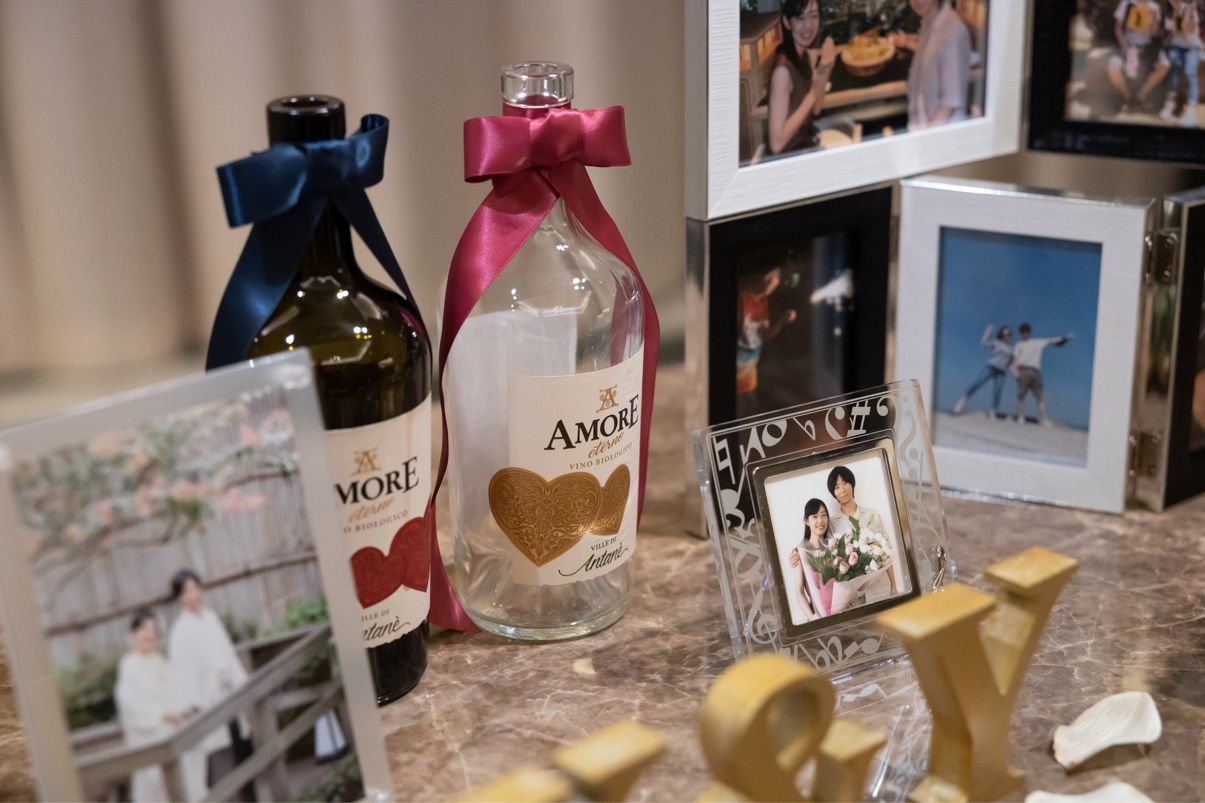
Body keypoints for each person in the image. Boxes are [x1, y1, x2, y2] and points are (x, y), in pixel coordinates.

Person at [167, 569, 253, 801]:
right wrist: (195, 706)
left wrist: (242, 684)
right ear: (179, 597)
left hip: (230, 698)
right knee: (223, 770)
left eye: (196, 589)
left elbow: (229, 654)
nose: (193, 595)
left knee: (244, 758)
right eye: (187, 592)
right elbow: (183, 677)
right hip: (208, 707)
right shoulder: (180, 633)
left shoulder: (211, 618)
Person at [114, 609, 198, 802]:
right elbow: (130, 704)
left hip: (172, 733)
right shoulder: (129, 665)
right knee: (153, 787)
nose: (149, 635)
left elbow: (177, 693)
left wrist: (180, 711)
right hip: (147, 737)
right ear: (134, 633)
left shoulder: (161, 662)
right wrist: (161, 715)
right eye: (144, 630)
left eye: (153, 630)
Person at [766, 0, 836, 156]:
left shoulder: (806, 56)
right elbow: (776, 144)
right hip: (791, 158)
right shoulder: (782, 71)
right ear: (787, 22)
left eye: (813, 16)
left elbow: (816, 108)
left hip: (808, 145)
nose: (808, 26)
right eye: (800, 18)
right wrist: (813, 92)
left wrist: (826, 69)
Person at [891, 0, 972, 129]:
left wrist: (924, 138)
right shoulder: (928, 23)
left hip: (942, 134)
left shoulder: (952, 31)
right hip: (923, 122)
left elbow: (948, 105)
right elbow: (931, 53)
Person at [826, 466, 899, 599]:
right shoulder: (831, 524)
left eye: (845, 483)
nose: (842, 490)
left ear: (852, 484)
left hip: (880, 587)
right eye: (837, 487)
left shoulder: (872, 515)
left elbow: (886, 552)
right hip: (853, 596)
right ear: (833, 493)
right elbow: (828, 559)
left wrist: (894, 585)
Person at [736, 266, 798, 418]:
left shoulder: (763, 302)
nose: (773, 282)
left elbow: (765, 335)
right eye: (770, 277)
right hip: (737, 369)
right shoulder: (742, 297)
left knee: (749, 410)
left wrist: (782, 320)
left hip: (750, 371)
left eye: (776, 278)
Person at [1109, 0, 1171, 113]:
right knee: (1113, 67)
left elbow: (1155, 33)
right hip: (1127, 44)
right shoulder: (1126, 3)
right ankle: (1127, 96)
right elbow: (1117, 27)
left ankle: (1141, 95)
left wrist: (1154, 19)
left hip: (1147, 47)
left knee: (1165, 64)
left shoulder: (1154, 7)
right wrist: (1123, 44)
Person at [1011, 323, 1074, 426]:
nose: (1025, 333)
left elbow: (1052, 340)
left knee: (1040, 397)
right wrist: (1015, 373)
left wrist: (1065, 338)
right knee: (1021, 396)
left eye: (1027, 331)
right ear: (1021, 333)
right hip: (1023, 371)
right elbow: (1015, 359)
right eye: (1023, 331)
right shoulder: (1018, 344)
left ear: (1030, 332)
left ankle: (1043, 420)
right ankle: (1020, 417)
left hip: (1036, 372)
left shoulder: (1038, 342)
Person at [787, 499, 836, 622]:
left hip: (840, 611)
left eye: (823, 515)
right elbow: (799, 591)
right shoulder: (800, 552)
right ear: (806, 521)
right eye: (815, 516)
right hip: (818, 616)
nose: (820, 520)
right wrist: (812, 617)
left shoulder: (834, 546)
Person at [952, 324, 1013, 417]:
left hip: (1001, 372)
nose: (1007, 336)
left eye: (1009, 334)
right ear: (1002, 334)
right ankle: (962, 401)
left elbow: (1010, 362)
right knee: (977, 383)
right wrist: (988, 331)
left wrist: (1015, 373)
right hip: (991, 367)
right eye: (1005, 334)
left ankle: (993, 410)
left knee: (998, 391)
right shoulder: (996, 342)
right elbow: (983, 343)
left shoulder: (1011, 348)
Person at [1163, 0, 1201, 123]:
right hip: (1176, 47)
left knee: (1190, 72)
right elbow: (1175, 29)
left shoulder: (1190, 9)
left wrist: (1187, 14)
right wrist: (1176, 14)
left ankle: (1191, 109)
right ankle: (1170, 102)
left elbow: (1188, 32)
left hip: (1192, 48)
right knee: (1173, 67)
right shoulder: (1168, 12)